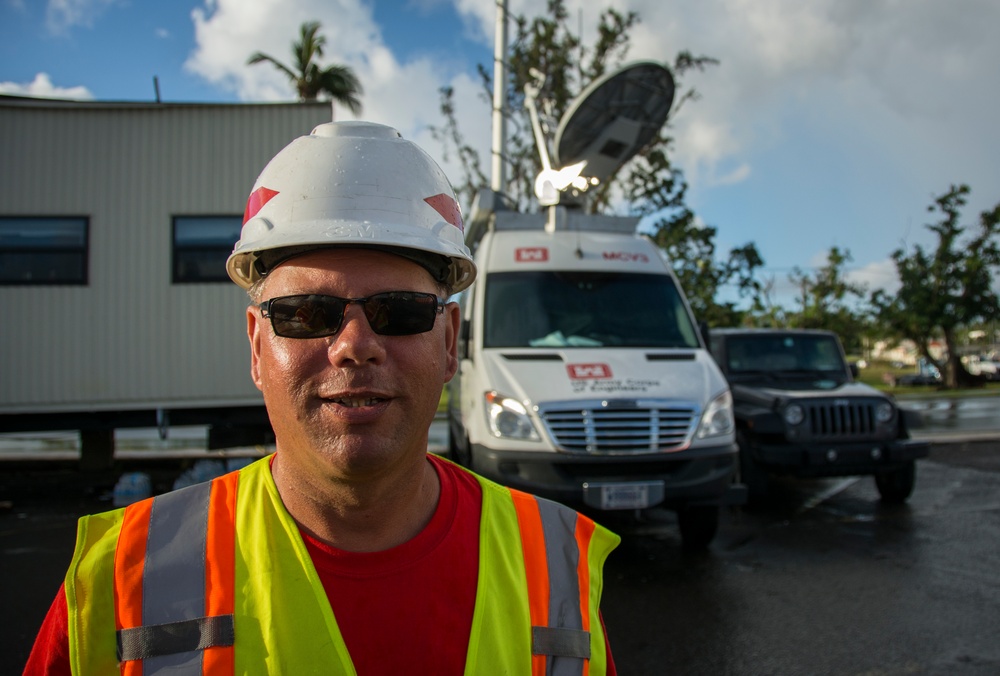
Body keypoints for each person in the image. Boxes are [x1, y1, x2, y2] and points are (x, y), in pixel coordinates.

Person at [24, 121, 619, 675]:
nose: (354, 346)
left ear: (449, 343)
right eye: (306, 314)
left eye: (400, 312)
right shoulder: (118, 579)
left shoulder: (557, 568)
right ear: (258, 346)